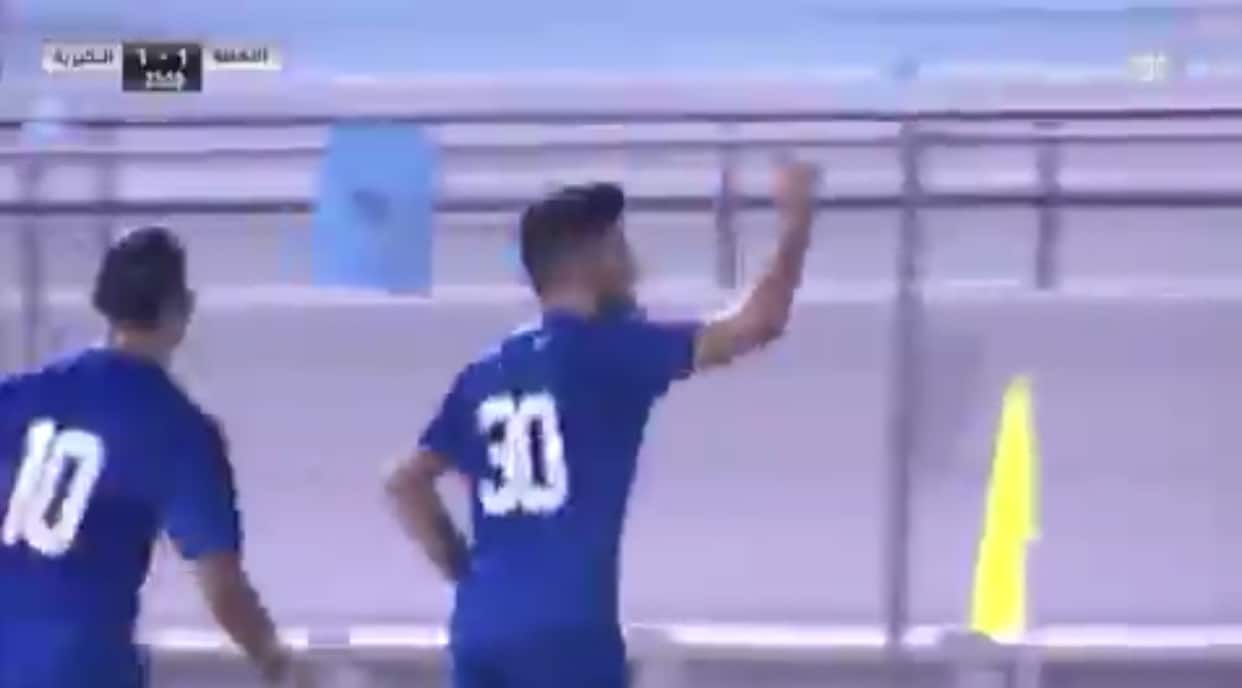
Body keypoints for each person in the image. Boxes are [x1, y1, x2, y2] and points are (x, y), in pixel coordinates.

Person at [386, 160, 820, 687]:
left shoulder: (484, 372)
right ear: (592, 260)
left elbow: (405, 482)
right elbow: (759, 323)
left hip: (480, 630)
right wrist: (796, 223)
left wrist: (467, 574)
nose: (633, 266)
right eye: (620, 248)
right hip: (568, 637)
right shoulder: (610, 350)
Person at [0, 227, 309, 687]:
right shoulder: (180, 429)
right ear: (181, 309)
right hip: (85, 667)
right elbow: (222, 585)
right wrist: (280, 665)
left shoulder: (17, 395)